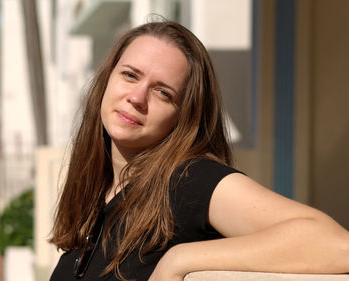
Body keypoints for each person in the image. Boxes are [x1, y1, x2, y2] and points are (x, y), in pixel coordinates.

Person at [48, 20, 349, 281]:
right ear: (107, 80)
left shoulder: (187, 181)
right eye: (130, 75)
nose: (137, 97)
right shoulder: (100, 194)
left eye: (163, 92)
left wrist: (181, 259)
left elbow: (336, 245)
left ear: (184, 116)